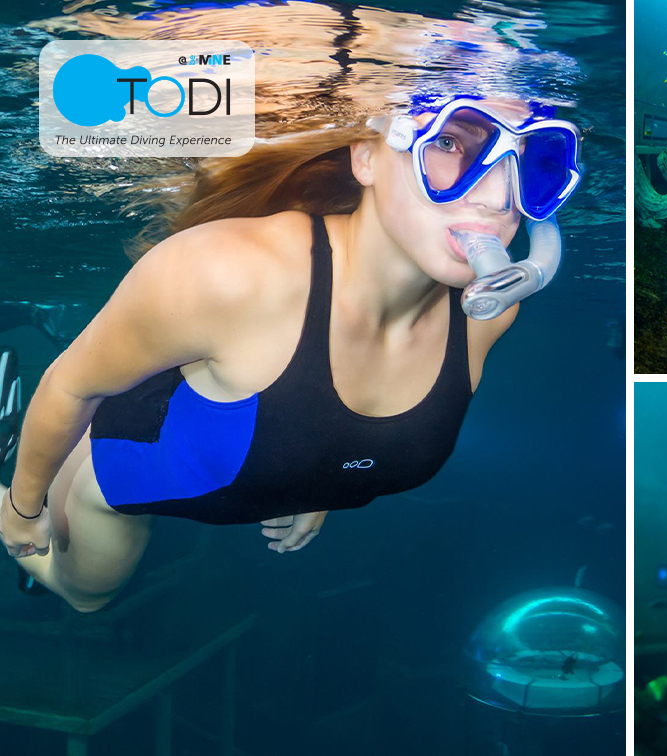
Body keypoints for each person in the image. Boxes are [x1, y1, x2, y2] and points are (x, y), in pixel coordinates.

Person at [0, 96, 582, 611]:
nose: (498, 198)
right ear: (367, 158)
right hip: (121, 465)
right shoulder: (229, 272)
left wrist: (314, 481)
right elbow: (72, 385)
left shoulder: (488, 314)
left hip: (223, 433)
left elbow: (327, 420)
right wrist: (23, 514)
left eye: (527, 161)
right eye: (450, 142)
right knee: (87, 597)